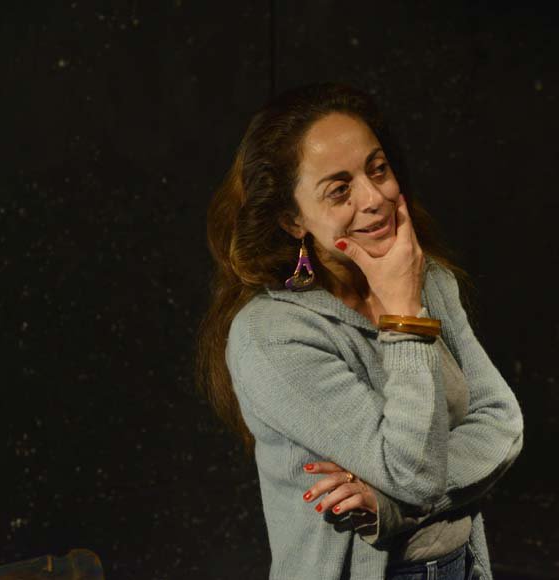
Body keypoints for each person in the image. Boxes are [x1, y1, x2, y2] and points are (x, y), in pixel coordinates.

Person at [195, 82, 524, 580]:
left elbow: (501, 421)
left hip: (460, 567)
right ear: (292, 219)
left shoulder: (431, 281)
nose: (375, 198)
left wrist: (391, 506)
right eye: (340, 189)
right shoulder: (272, 336)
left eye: (378, 169)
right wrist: (404, 316)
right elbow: (413, 474)